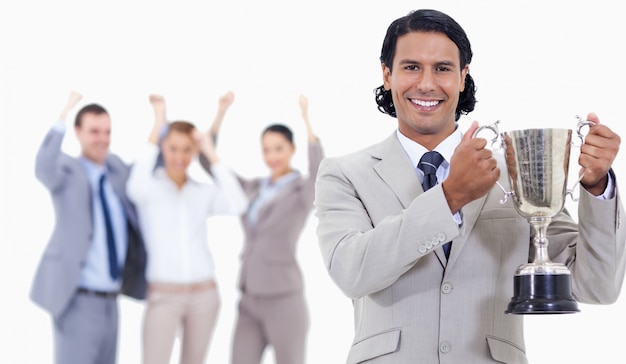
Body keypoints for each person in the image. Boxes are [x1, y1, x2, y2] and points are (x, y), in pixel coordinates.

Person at [313, 9, 626, 364]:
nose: (427, 84)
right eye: (411, 67)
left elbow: (597, 286)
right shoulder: (344, 173)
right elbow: (351, 273)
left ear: (463, 77)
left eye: (443, 68)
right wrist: (450, 198)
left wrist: (597, 183)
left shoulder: (513, 170)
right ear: (387, 75)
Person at [200, 91, 324, 364]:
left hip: (284, 299)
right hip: (249, 298)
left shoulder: (301, 192)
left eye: (279, 148)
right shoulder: (252, 188)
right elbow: (209, 162)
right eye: (266, 149)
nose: (272, 156)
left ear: (292, 149)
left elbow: (319, 173)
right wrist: (220, 115)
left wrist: (307, 122)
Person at [126, 94, 247, 364]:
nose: (179, 156)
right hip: (163, 295)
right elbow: (133, 187)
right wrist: (159, 122)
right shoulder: (149, 189)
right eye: (173, 148)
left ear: (194, 152)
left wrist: (210, 152)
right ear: (163, 148)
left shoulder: (201, 193)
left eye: (186, 149)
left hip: (204, 295)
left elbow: (238, 203)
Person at [30, 91, 147, 364]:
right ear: (77, 132)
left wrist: (159, 121)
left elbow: (144, 173)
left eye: (107, 132)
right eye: (94, 131)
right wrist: (65, 111)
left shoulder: (116, 168)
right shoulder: (66, 170)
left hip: (111, 299)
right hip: (77, 298)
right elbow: (43, 166)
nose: (102, 139)